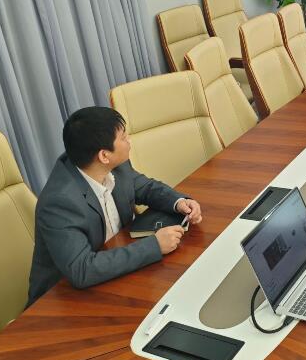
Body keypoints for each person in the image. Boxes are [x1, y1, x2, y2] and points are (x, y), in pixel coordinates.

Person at [27, 107, 203, 305]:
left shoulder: (112, 165)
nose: (129, 141)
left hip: (117, 272)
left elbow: (144, 187)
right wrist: (154, 245)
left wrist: (179, 202)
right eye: (123, 137)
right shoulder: (59, 202)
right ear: (104, 155)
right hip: (63, 301)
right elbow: (82, 270)